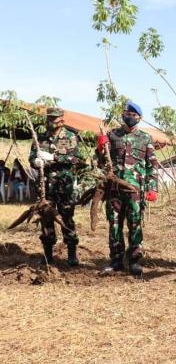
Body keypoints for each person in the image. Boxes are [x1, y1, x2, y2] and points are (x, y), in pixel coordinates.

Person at [97, 100, 159, 276]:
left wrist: (152, 188)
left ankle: (134, 261)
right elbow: (102, 161)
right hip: (115, 189)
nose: (129, 117)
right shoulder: (113, 135)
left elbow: (152, 165)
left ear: (139, 118)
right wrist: (101, 145)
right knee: (115, 225)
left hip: (135, 191)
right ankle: (116, 261)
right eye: (127, 114)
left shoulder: (145, 138)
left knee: (135, 224)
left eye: (133, 115)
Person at [29, 107, 83, 266]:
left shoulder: (70, 137)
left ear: (62, 121)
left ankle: (72, 254)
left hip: (64, 186)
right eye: (49, 119)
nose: (51, 122)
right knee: (46, 219)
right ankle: (47, 255)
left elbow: (76, 159)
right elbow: (32, 156)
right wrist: (35, 161)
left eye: (54, 119)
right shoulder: (40, 138)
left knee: (66, 218)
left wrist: (54, 157)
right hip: (45, 185)